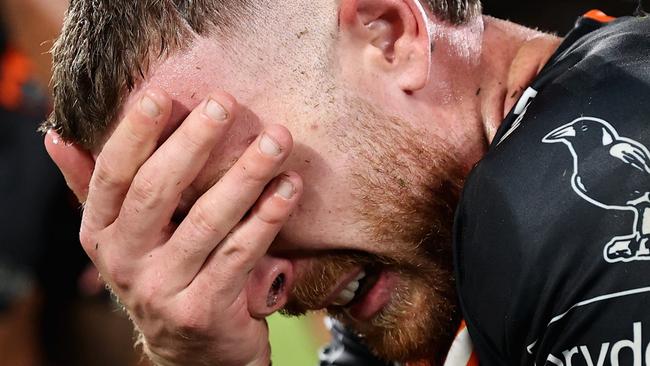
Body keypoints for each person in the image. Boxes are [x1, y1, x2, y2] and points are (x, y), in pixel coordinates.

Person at [41, 0, 649, 365]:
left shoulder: (582, 202)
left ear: (390, 32)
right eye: (201, 242)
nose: (253, 295)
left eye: (248, 198)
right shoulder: (429, 258)